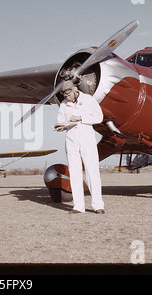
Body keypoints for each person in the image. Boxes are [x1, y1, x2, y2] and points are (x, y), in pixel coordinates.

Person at [55, 80, 105, 214]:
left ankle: (98, 205)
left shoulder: (88, 99)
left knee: (91, 170)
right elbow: (61, 120)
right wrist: (60, 126)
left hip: (86, 136)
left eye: (68, 93)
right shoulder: (64, 105)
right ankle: (78, 206)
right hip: (70, 138)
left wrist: (81, 118)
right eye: (63, 94)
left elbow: (99, 117)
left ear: (75, 89)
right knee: (75, 171)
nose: (66, 96)